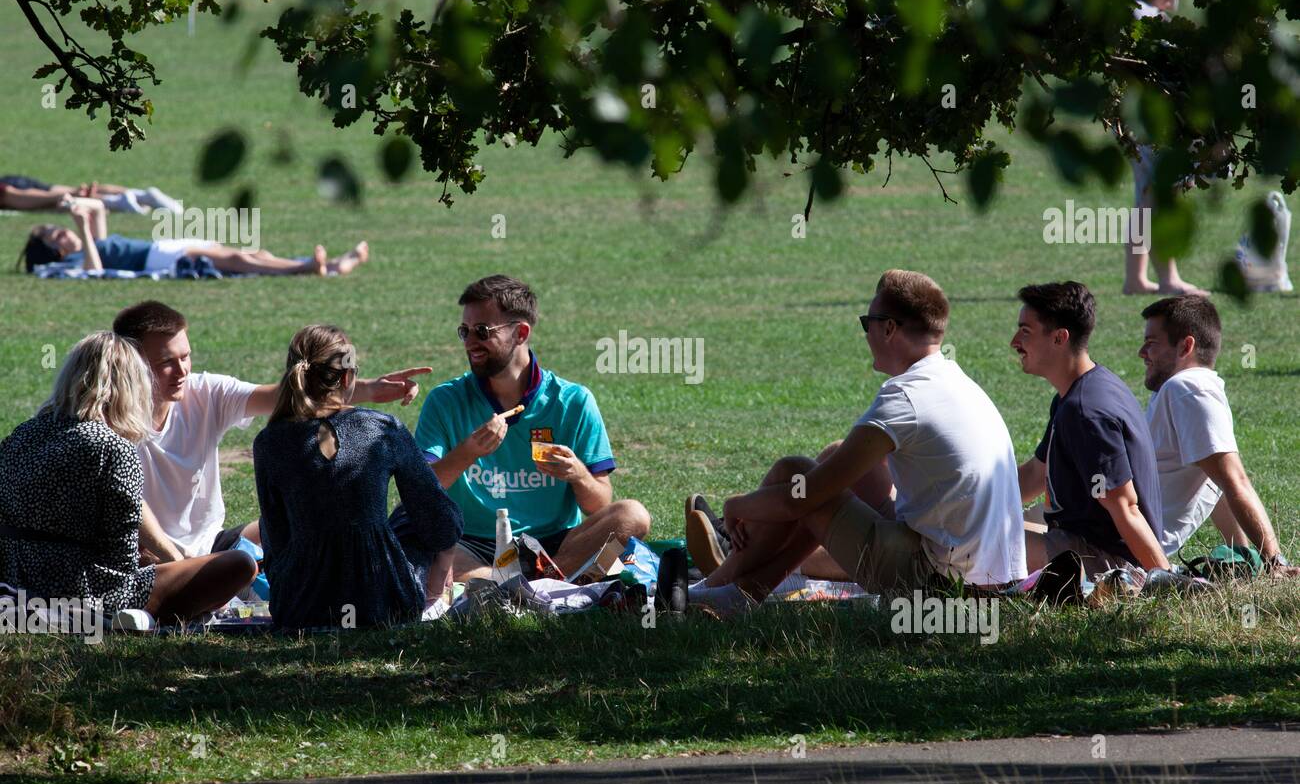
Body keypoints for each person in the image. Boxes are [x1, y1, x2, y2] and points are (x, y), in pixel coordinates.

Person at [688, 270, 1027, 615]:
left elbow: (799, 497)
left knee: (797, 474)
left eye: (867, 323)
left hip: (941, 587)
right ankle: (740, 592)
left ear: (889, 328)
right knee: (836, 463)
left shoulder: (905, 397)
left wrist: (736, 506)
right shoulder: (957, 381)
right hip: (994, 583)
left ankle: (711, 590)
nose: (866, 335)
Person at [111, 301, 433, 564]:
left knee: (302, 525)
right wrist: (172, 558)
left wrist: (370, 389)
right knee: (236, 569)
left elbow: (285, 393)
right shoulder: (108, 420)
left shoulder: (205, 393)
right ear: (132, 361)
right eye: (166, 362)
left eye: (186, 356)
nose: (182, 371)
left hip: (213, 548)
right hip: (146, 553)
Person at [394, 275, 650, 581]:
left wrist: (578, 474)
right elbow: (421, 492)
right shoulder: (446, 400)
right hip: (473, 542)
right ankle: (543, 585)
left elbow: (599, 504)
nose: (470, 342)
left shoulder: (573, 401)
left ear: (521, 332)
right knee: (435, 553)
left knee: (633, 516)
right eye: (464, 331)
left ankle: (526, 581)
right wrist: (468, 452)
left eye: (482, 331)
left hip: (555, 544)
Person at [0, 332, 255, 630]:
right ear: (131, 387)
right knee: (239, 564)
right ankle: (137, 618)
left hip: (18, 580)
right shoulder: (112, 447)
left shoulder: (21, 435)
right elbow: (119, 564)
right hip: (86, 593)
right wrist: (168, 562)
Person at [253, 326, 463, 630]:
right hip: (382, 601)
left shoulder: (269, 442)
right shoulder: (382, 428)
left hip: (302, 606)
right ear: (349, 377)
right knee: (423, 512)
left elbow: (276, 534)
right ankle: (434, 599)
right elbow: (440, 522)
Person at [1012, 281, 1169, 575]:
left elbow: (1126, 508)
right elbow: (1036, 474)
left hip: (1108, 562)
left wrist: (1164, 580)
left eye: (1025, 331)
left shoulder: (1086, 412)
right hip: (1079, 539)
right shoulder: (1078, 391)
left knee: (980, 542)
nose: (1014, 342)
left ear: (1060, 338)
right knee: (981, 525)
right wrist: (973, 505)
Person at [1138, 295, 1289, 568]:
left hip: (1113, 546)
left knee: (1033, 549)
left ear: (1186, 346)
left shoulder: (1188, 389)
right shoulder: (1182, 389)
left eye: (1151, 344)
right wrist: (1242, 553)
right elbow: (1214, 481)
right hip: (1109, 534)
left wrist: (1275, 561)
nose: (1141, 353)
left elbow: (1234, 480)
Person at [19, 199, 369, 276]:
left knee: (252, 251)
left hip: (164, 247)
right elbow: (94, 271)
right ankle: (304, 269)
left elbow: (99, 210)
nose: (62, 230)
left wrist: (82, 207)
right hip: (158, 259)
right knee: (239, 260)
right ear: (55, 251)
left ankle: (335, 265)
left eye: (58, 227)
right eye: (55, 234)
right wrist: (80, 228)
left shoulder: (90, 241)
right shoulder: (75, 259)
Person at [1123, 0, 1206, 297]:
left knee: (1145, 197)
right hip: (1150, 120)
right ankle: (1167, 277)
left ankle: (1137, 278)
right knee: (1158, 195)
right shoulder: (1144, 15)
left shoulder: (1142, 13)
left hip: (1139, 118)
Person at [0, 174, 180, 215]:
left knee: (62, 199)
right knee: (59, 194)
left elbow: (10, 194)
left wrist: (72, 194)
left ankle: (118, 202)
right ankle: (142, 196)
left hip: (10, 189)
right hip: (12, 181)